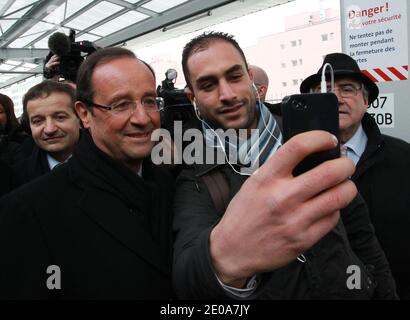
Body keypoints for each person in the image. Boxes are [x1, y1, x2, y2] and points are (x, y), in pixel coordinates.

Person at [172, 31, 397, 299]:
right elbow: (189, 271)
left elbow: (361, 235)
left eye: (235, 77)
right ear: (191, 97)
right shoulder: (196, 173)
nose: (227, 94)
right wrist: (223, 261)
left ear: (250, 78)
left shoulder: (306, 139)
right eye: (208, 85)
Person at [0, 47, 174, 299]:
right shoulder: (27, 210)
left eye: (149, 101)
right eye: (120, 104)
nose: (142, 118)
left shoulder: (169, 182)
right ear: (84, 114)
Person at [300, 52, 410, 299]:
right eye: (323, 90)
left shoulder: (403, 158)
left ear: (366, 100)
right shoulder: (293, 164)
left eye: (347, 89)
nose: (335, 98)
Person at [12, 80, 81, 188]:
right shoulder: (18, 177)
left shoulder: (112, 161)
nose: (49, 129)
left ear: (80, 118)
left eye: (60, 117)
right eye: (38, 121)